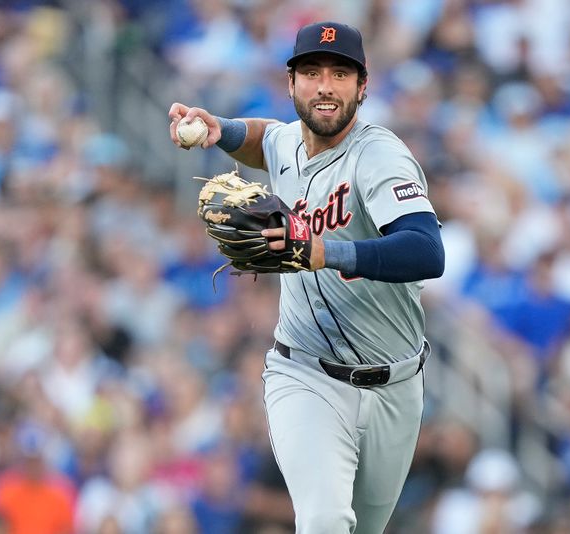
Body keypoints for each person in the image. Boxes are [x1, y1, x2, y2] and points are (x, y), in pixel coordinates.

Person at [168, 21, 444, 534]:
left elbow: (427, 250)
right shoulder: (289, 143)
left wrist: (324, 251)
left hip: (396, 387)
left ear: (363, 86)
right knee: (325, 521)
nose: (325, 86)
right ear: (291, 83)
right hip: (305, 374)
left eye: (341, 73)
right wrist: (218, 129)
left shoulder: (377, 154)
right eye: (311, 72)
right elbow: (263, 139)